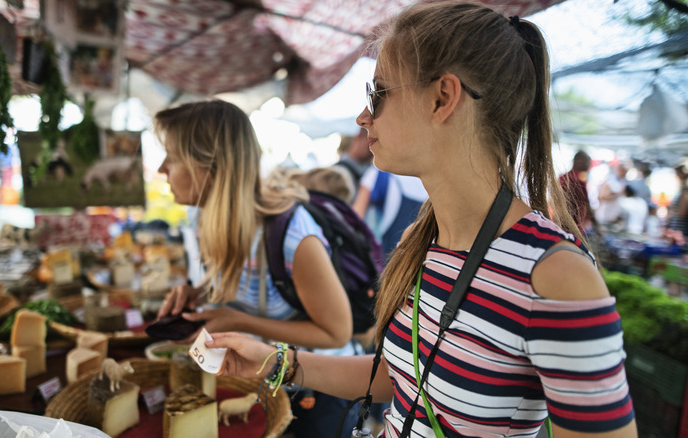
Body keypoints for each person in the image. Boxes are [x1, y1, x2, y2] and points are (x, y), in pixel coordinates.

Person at [205, 3, 637, 438]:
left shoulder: (558, 278)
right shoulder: (423, 239)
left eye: (378, 94)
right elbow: (405, 379)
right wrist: (276, 361)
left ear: (442, 98)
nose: (363, 117)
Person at [153, 100, 358, 437]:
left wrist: (238, 322)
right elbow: (243, 284)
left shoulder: (292, 234)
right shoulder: (204, 219)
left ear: (211, 166)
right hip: (260, 381)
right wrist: (198, 293)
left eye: (172, 157)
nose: (162, 169)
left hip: (316, 393)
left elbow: (337, 333)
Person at [353, 167, 428, 260]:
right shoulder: (429, 178)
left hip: (381, 256)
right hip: (417, 259)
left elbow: (355, 217)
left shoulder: (378, 172)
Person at [558, 150, 594, 234]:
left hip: (561, 220)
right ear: (578, 161)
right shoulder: (577, 179)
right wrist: (595, 223)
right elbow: (586, 203)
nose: (588, 165)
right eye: (587, 162)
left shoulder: (563, 177)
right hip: (573, 223)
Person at [334, 128, 373, 202]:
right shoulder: (339, 171)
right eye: (370, 144)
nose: (373, 150)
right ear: (359, 137)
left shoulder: (370, 171)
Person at [595, 162, 629, 227]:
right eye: (623, 171)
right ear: (619, 170)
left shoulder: (623, 182)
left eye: (626, 172)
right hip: (604, 216)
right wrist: (617, 195)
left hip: (613, 217)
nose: (624, 173)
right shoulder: (610, 181)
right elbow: (602, 197)